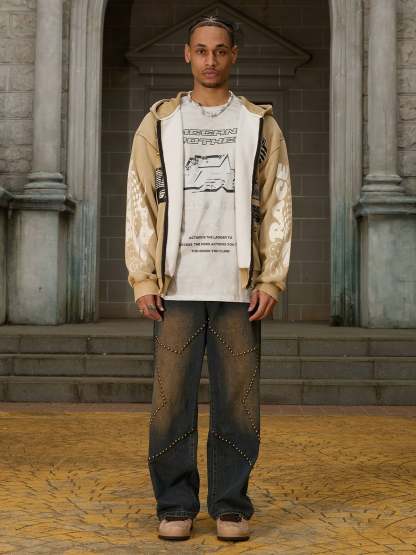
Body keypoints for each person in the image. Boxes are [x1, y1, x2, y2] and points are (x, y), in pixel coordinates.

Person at [124, 14, 292, 542]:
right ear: (187, 55)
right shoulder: (160, 123)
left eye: (220, 50)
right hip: (175, 288)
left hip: (237, 288)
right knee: (169, 403)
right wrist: (143, 278)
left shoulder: (258, 124)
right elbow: (139, 200)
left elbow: (279, 202)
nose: (211, 60)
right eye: (201, 50)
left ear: (233, 55)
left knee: (238, 403)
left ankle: (230, 506)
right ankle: (174, 504)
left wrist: (271, 279)